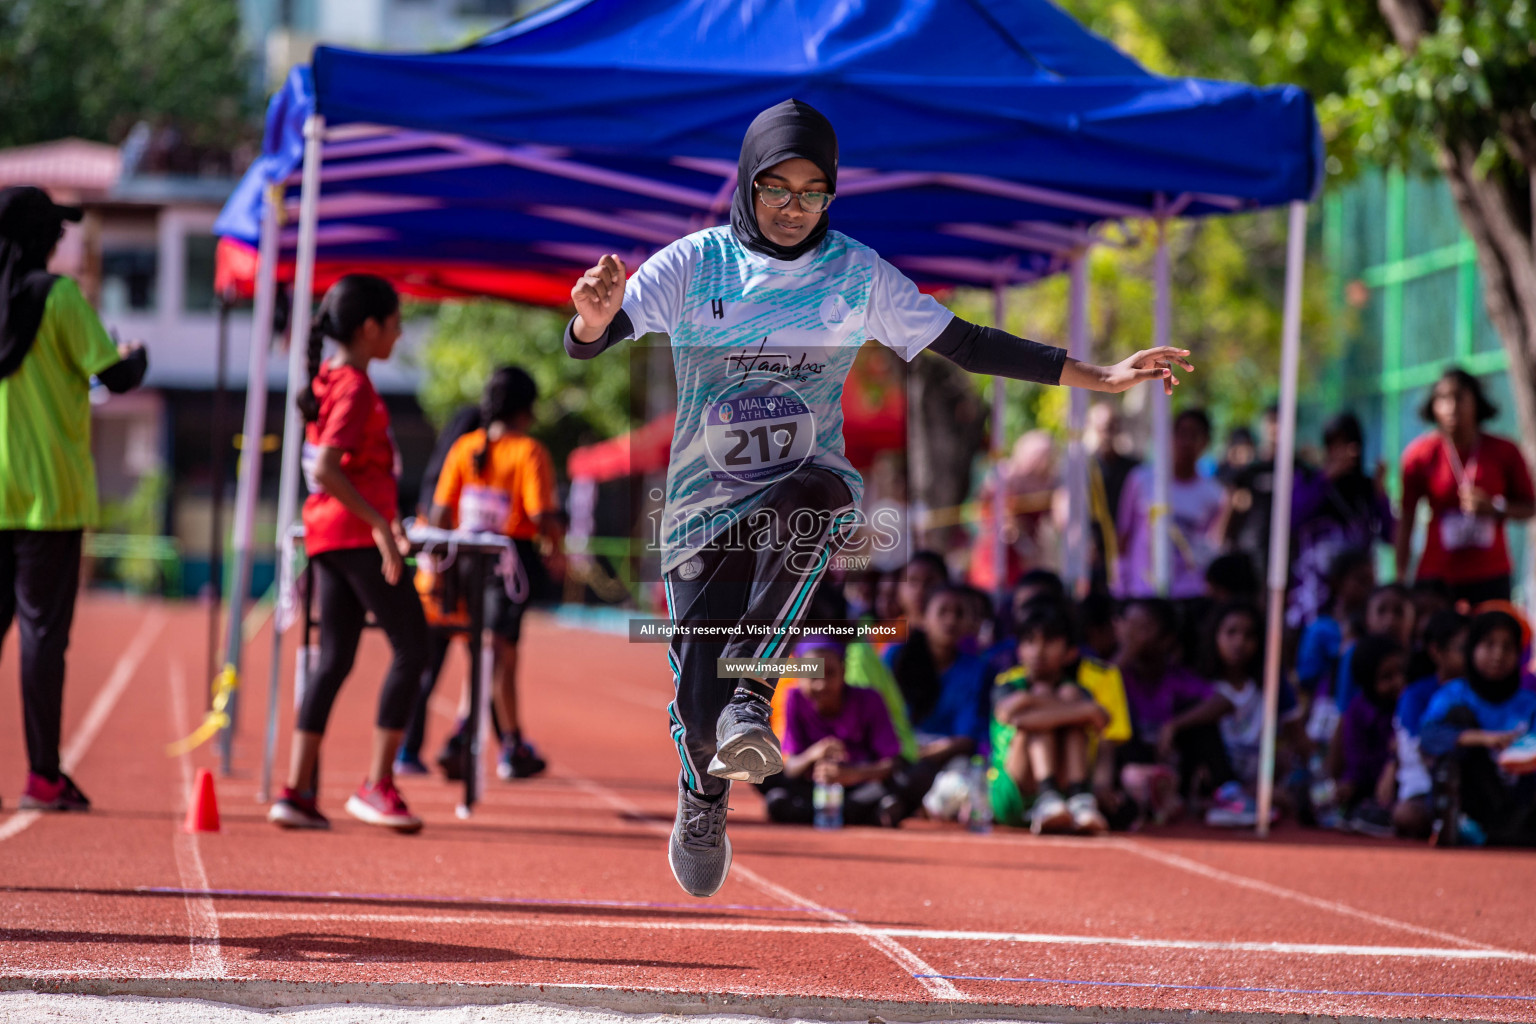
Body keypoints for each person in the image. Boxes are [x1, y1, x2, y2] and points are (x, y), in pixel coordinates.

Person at [565, 98, 1195, 896]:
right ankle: (703, 796)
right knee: (697, 706)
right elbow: (595, 338)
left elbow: (966, 342)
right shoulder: (696, 265)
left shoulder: (856, 273)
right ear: (746, 184)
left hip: (804, 485)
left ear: (833, 193)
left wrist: (1096, 375)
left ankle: (753, 701)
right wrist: (589, 323)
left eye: (812, 192)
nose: (794, 210)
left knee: (818, 502)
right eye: (776, 190)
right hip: (701, 515)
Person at [0, 186, 148, 812]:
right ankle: (42, 776)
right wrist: (136, 356)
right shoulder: (58, 296)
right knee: (41, 638)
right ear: (41, 238)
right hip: (49, 499)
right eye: (56, 233)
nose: (62, 242)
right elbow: (113, 374)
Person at [268, 274, 429, 833]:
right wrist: (382, 528)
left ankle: (294, 791)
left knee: (334, 657)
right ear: (369, 328)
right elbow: (327, 468)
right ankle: (377, 785)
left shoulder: (332, 377)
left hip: (327, 536)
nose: (401, 331)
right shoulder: (355, 386)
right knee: (415, 646)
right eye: (395, 322)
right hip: (355, 537)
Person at [428, 366, 563, 781]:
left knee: (483, 648)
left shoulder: (464, 447)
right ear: (527, 409)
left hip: (466, 558)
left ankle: (500, 740)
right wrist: (556, 548)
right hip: (509, 561)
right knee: (500, 653)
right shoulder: (528, 452)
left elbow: (439, 513)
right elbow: (540, 512)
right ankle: (488, 739)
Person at [760, 636, 940, 826]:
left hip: (864, 786)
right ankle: (872, 813)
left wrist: (851, 774)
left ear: (843, 671)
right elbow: (791, 767)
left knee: (921, 771)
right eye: (813, 676)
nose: (821, 684)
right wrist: (814, 755)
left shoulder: (870, 699)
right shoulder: (794, 699)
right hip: (813, 789)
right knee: (759, 765)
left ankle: (808, 812)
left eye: (830, 673)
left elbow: (891, 763)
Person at [396, 402, 484, 777]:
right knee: (485, 662)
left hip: (431, 585)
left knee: (428, 670)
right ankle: (462, 742)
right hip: (457, 583)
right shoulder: (467, 466)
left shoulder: (435, 473)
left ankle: (409, 749)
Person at [1397, 369, 1535, 605]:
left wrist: (1495, 507)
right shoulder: (1419, 456)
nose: (1451, 407)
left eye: (1459, 397)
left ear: (1476, 402)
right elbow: (1406, 519)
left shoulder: (1504, 451)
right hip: (1436, 576)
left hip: (1490, 574)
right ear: (1433, 406)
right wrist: (1400, 575)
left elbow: (1530, 506)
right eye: (1442, 399)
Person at [990, 601, 1128, 834]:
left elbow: (1103, 725)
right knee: (1047, 701)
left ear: (1070, 652)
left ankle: (1079, 798)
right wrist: (1082, 711)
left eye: (1050, 642)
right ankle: (1047, 796)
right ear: (1019, 650)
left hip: (1064, 791)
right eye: (1030, 642)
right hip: (1015, 792)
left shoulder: (1076, 691)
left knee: (1068, 698)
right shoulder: (1007, 685)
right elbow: (1016, 720)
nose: (1039, 651)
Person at [1420, 611, 1536, 846]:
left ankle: (1509, 831)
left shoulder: (1530, 702)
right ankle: (1459, 823)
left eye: (1508, 647)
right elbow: (1428, 738)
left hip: (1519, 797)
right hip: (1474, 796)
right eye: (1489, 644)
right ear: (1472, 648)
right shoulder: (1454, 694)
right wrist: (1483, 739)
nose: (1498, 655)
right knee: (1457, 717)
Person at [1113, 597, 1230, 817]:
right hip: (1129, 759)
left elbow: (1222, 702)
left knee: (1203, 725)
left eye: (1143, 628)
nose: (1133, 636)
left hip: (1168, 756)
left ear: (1167, 639)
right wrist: (1126, 653)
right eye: (1128, 627)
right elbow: (1097, 694)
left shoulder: (1175, 676)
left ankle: (1225, 792)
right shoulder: (1117, 672)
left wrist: (1173, 725)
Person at [1287, 412, 1394, 629]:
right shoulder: (1309, 480)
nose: (1342, 452)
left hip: (1357, 596)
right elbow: (1293, 520)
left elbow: (1391, 535)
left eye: (1348, 444)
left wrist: (1381, 495)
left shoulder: (1366, 488)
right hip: (1313, 595)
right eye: (1334, 445)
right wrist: (1325, 479)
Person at [1201, 602, 1298, 827]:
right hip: (1219, 775)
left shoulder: (1273, 685)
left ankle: (1243, 797)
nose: (1239, 643)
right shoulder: (1202, 683)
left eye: (1249, 635)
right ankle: (1226, 795)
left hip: (1259, 778)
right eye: (1231, 633)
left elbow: (1298, 738)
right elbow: (1222, 705)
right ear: (1215, 635)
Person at [1116, 409, 1224, 599]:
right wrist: (1121, 584)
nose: (1186, 442)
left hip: (1188, 593)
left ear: (1205, 442)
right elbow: (1124, 534)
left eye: (1194, 435)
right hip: (1143, 591)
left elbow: (1211, 544)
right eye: (1181, 433)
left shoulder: (1214, 494)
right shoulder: (1141, 479)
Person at [1393, 610, 1468, 838]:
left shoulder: (1477, 691)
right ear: (1436, 651)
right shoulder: (1416, 694)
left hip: (1473, 784)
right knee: (1408, 815)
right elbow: (1419, 747)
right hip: (1426, 785)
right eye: (1462, 649)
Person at [1328, 634, 1406, 837]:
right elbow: (1356, 759)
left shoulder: (1408, 705)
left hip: (1402, 783)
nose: (1397, 682)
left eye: (1400, 673)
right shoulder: (1357, 710)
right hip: (1366, 783)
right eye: (1386, 677)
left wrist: (1394, 761)